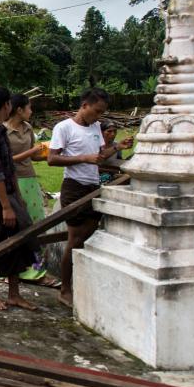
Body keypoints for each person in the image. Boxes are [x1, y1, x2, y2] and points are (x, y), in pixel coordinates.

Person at [47, 88, 125, 307]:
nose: (98, 116)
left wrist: (118, 147)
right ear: (84, 105)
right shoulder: (64, 128)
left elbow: (99, 157)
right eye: (96, 111)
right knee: (75, 239)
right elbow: (52, 159)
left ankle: (79, 282)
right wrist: (82, 158)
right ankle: (65, 289)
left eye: (102, 112)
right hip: (73, 187)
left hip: (93, 186)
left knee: (87, 238)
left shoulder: (95, 129)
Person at [0, 86, 39, 311]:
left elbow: (9, 168)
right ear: (6, 105)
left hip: (10, 192)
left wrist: (18, 199)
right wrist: (6, 206)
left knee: (19, 240)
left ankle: (14, 294)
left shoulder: (0, 131)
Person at [5, 94, 57, 286]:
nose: (31, 111)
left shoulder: (28, 129)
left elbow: (32, 158)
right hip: (12, 182)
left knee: (37, 225)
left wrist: (49, 155)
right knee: (14, 228)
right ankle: (12, 270)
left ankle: (36, 271)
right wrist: (31, 152)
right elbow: (6, 161)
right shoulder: (3, 131)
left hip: (29, 180)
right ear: (19, 109)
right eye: (29, 108)